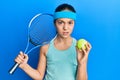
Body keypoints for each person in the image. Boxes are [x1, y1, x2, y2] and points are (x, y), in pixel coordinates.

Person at [15, 3, 92, 80]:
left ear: (74, 24)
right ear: (54, 24)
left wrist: (82, 63)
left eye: (70, 23)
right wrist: (24, 66)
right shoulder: (45, 46)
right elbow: (39, 76)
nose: (65, 27)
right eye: (60, 22)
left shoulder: (80, 49)